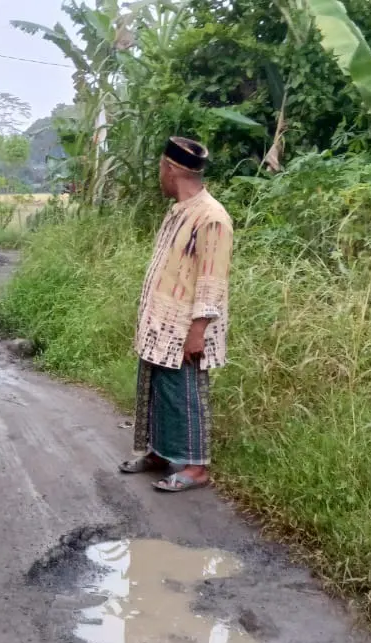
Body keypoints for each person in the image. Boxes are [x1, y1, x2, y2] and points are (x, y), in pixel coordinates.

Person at [120, 136, 234, 493]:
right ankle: (159, 453)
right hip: (161, 323)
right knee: (158, 392)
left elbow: (211, 281)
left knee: (185, 394)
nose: (159, 174)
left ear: (170, 169)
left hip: (187, 327)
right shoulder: (178, 211)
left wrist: (197, 331)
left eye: (160, 168)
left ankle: (196, 468)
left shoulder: (211, 217)